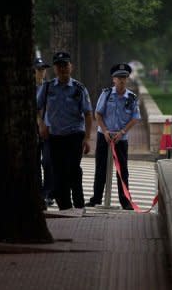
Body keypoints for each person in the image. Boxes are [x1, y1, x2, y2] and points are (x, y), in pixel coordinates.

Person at [36, 51, 92, 213]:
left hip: (74, 135)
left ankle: (79, 203)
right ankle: (65, 207)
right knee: (58, 173)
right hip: (54, 136)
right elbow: (37, 108)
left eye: (65, 65)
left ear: (71, 67)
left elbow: (88, 114)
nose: (62, 69)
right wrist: (41, 125)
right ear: (54, 68)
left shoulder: (79, 89)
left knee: (73, 169)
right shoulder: (47, 88)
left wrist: (87, 138)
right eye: (59, 66)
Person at [86, 63, 141, 210]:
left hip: (121, 139)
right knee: (101, 169)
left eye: (124, 77)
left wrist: (122, 132)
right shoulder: (107, 94)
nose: (121, 80)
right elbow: (97, 114)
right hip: (104, 136)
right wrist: (104, 131)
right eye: (118, 77)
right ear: (113, 79)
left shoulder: (132, 97)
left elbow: (135, 118)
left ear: (127, 79)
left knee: (122, 171)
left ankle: (125, 201)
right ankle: (96, 198)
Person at [34, 57, 54, 207]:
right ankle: (37, 192)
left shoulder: (49, 87)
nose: (42, 72)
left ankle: (47, 192)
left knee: (47, 162)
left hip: (47, 130)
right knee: (34, 162)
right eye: (39, 69)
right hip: (33, 130)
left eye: (43, 69)